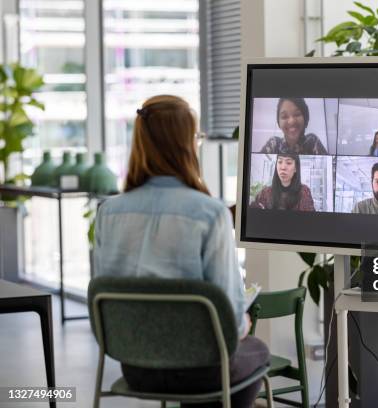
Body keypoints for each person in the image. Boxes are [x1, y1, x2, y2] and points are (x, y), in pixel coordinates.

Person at [94, 95, 269, 407]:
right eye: (197, 137)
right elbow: (228, 314)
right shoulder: (209, 213)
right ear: (186, 144)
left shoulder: (108, 212)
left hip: (135, 366)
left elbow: (109, 294)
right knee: (254, 349)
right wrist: (244, 322)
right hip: (200, 369)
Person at [260, 97, 328, 155]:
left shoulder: (312, 141)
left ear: (305, 117)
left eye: (297, 114)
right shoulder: (273, 144)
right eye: (284, 116)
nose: (291, 121)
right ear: (279, 122)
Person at [250, 153, 315, 211]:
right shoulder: (265, 193)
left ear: (295, 168)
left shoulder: (304, 192)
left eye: (288, 163)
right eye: (280, 162)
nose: (283, 167)